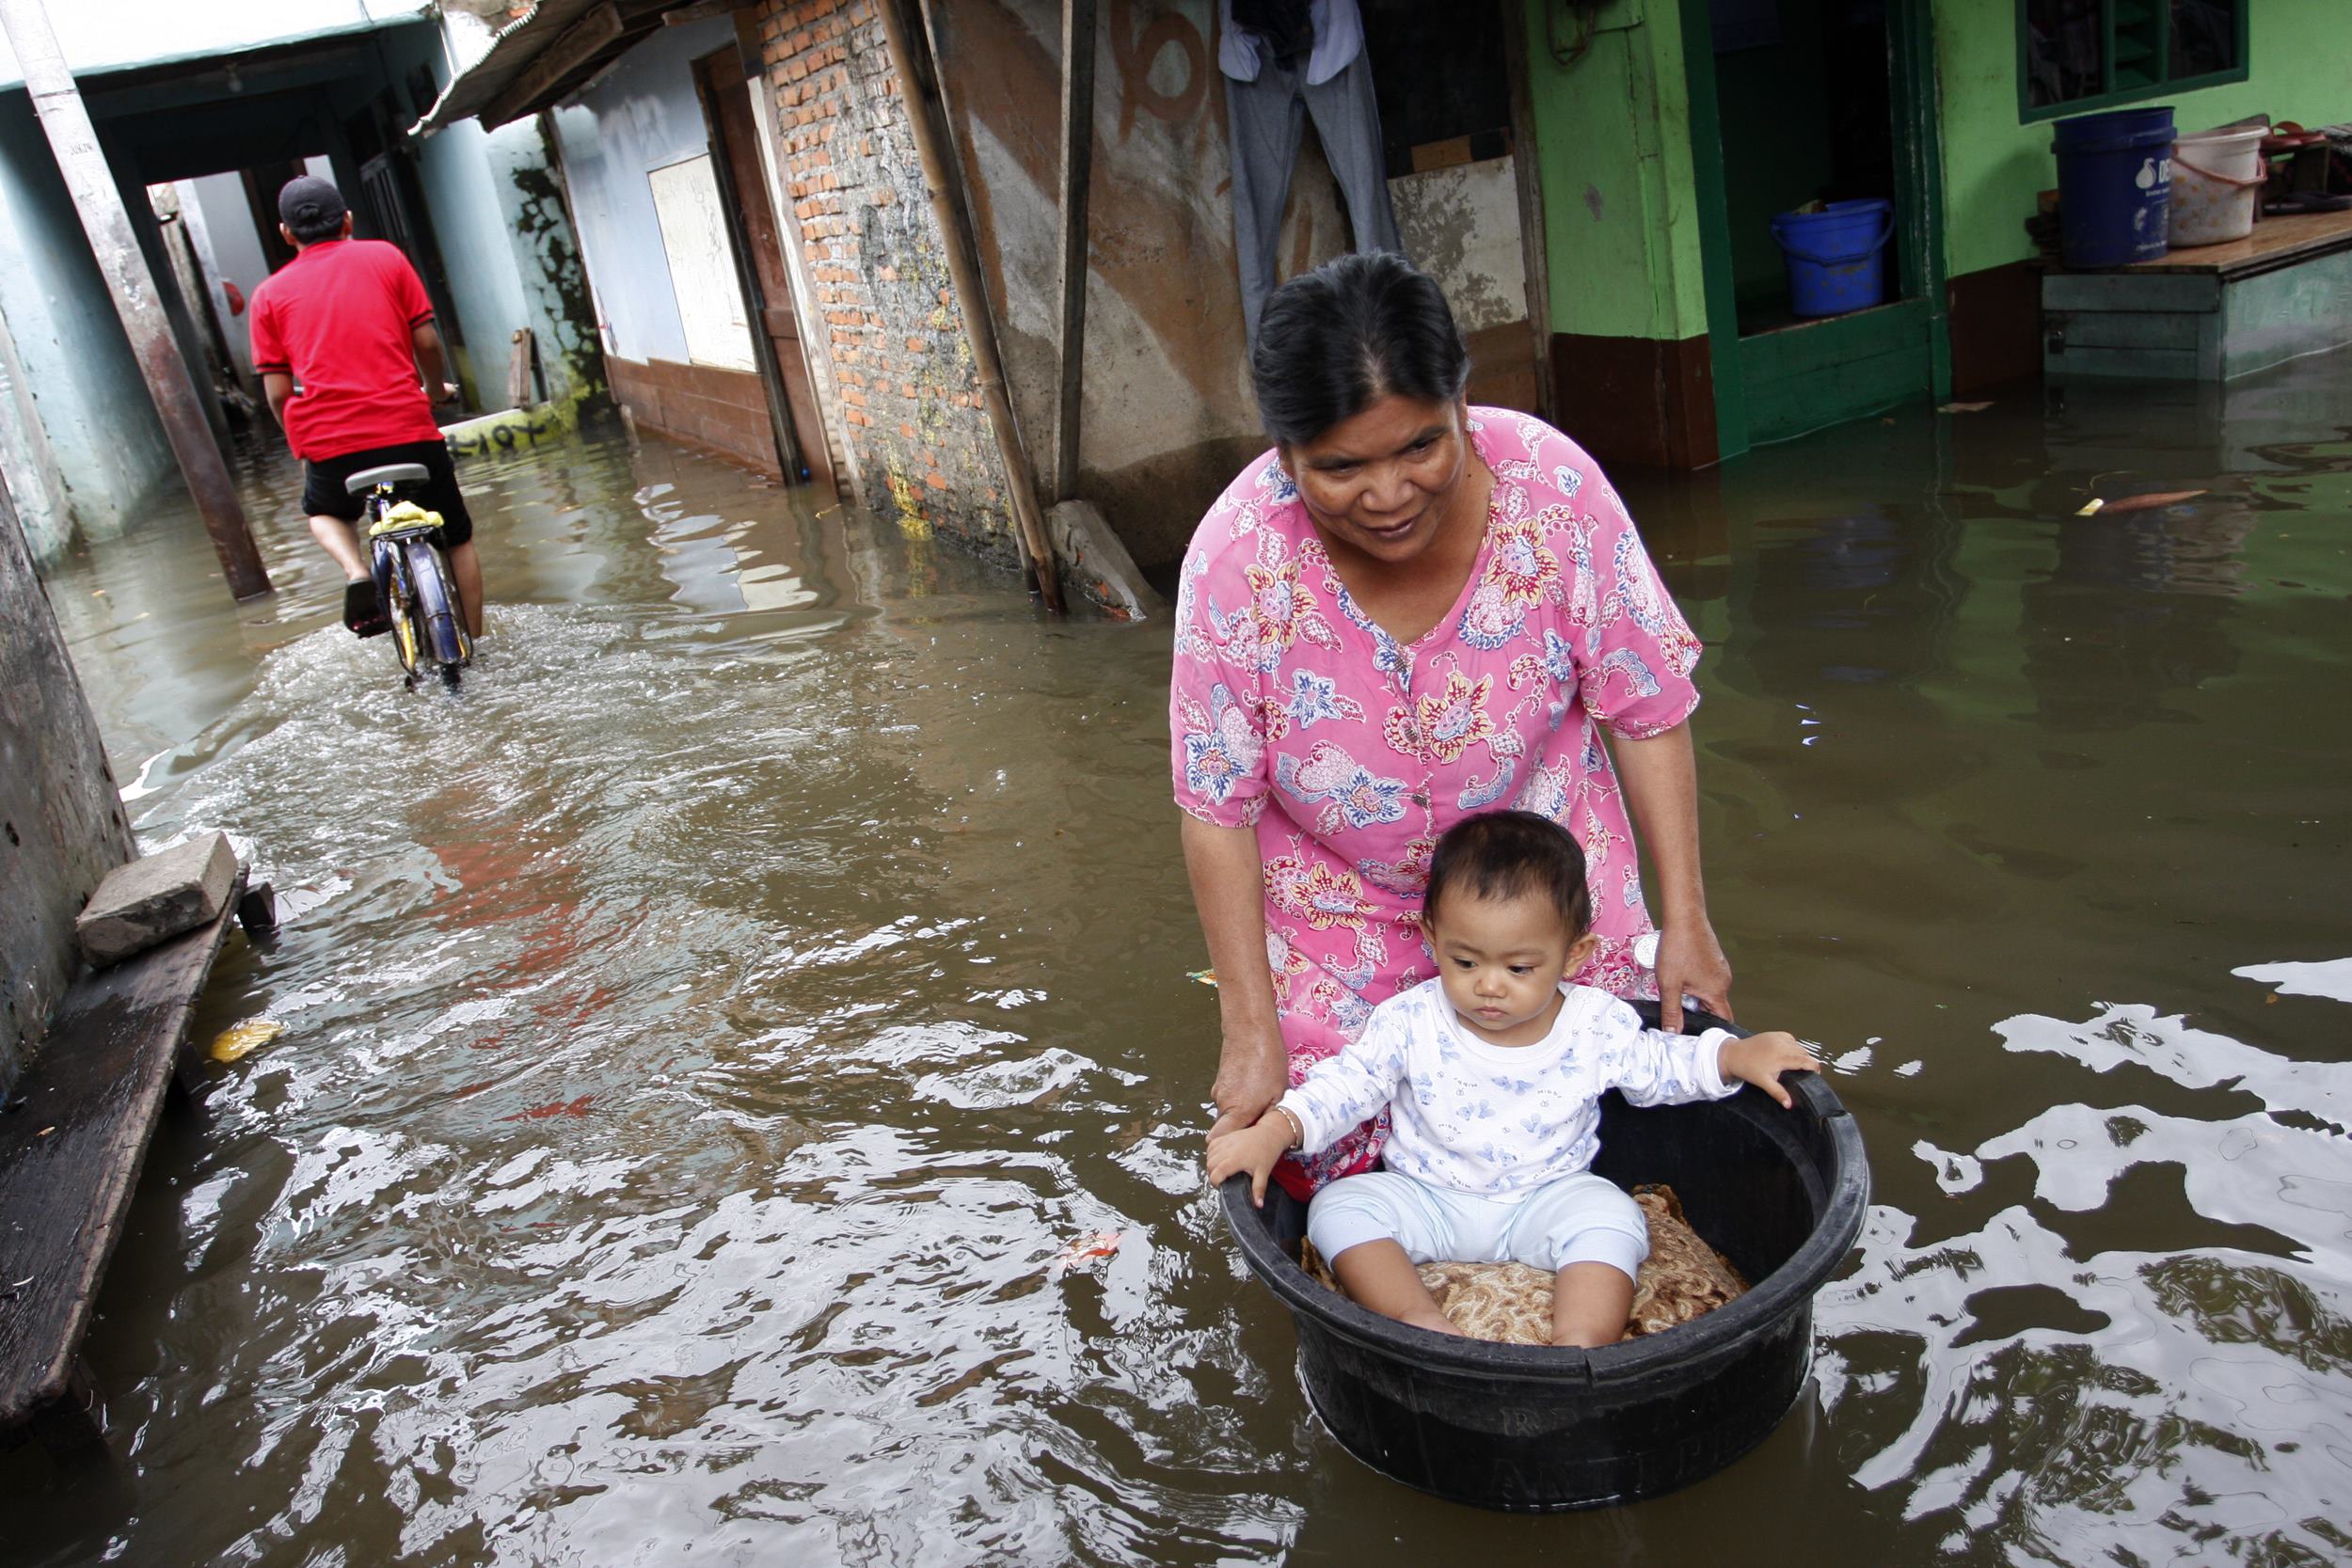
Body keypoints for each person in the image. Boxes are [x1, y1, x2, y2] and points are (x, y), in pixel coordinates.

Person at [1171, 250, 1735, 1202]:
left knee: (1625, 1101)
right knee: (1315, 1159)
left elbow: (1645, 709)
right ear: (1283, 451)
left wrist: (1687, 921)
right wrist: (1249, 1024)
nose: (1387, 496)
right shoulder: (1237, 562)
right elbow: (1216, 806)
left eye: (1420, 447)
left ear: (1463, 401)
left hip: (1543, 883)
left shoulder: (1554, 493)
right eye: (1339, 467)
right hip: (1335, 908)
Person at [1205, 811, 1817, 1346]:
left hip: (1545, 1198)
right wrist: (1279, 1127)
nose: (1489, 984)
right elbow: (1349, 1084)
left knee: (1612, 1218)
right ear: (1432, 939)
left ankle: (1578, 1346)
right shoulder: (1412, 1019)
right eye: (1465, 961)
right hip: (1429, 1199)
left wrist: (1734, 1056)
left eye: (1520, 966)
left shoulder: (1592, 1022)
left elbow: (1661, 1064)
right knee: (1339, 1209)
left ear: (1572, 957)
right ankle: (1418, 1320)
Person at [247, 176, 482, 640]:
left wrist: (301, 438)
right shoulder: (386, 258)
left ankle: (356, 569)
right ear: (348, 221)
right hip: (410, 430)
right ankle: (476, 640)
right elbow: (427, 343)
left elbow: (277, 394)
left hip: (333, 448)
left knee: (325, 512)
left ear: (286, 233)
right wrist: (433, 391)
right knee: (457, 538)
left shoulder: (268, 296)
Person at [1218, 0, 1402, 344]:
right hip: (1254, 44)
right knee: (1252, 218)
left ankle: (1399, 344)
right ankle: (1269, 369)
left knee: (1368, 202)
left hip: (1327, 33)